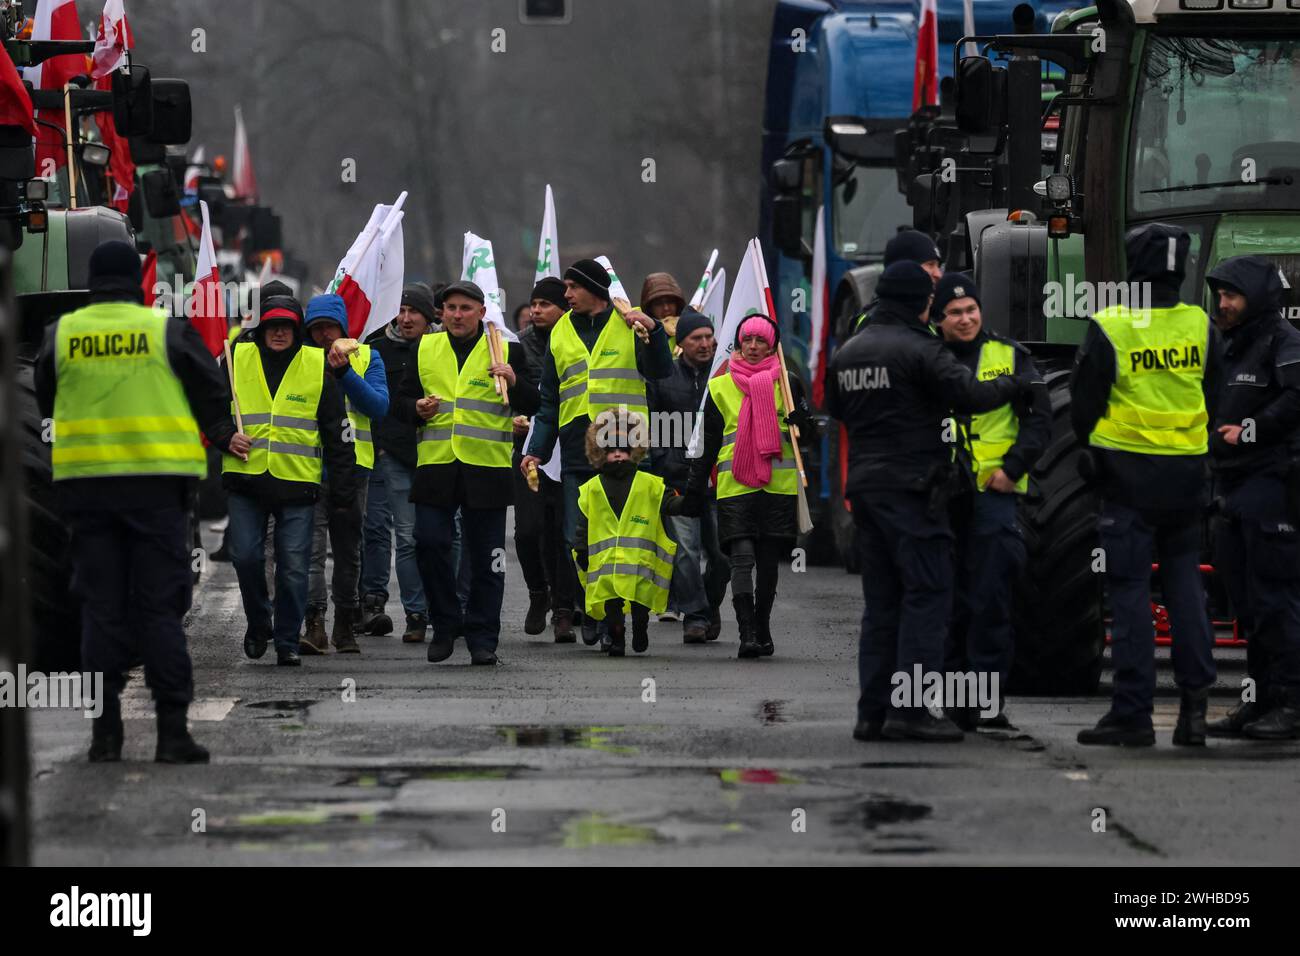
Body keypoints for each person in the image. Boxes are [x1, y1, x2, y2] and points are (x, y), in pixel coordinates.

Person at [34, 240, 236, 764]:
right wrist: (217, 431)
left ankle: (106, 736)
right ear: (136, 279)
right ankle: (172, 734)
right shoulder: (164, 332)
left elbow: (45, 398)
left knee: (100, 611)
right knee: (158, 609)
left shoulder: (62, 335)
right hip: (156, 492)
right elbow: (211, 388)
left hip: (86, 492)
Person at [828, 261, 1027, 742]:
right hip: (915, 490)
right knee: (927, 595)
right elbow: (970, 395)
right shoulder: (921, 349)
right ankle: (912, 710)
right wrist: (1011, 383)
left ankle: (872, 711)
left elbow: (835, 410)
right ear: (922, 303)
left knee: (882, 605)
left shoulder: (849, 353)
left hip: (866, 491)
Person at [1071, 223, 1220, 747]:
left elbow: (1084, 398)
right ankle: (1195, 713)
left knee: (1130, 593)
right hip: (1186, 481)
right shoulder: (1200, 324)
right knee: (1186, 592)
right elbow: (1216, 395)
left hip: (1127, 481)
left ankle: (1132, 713)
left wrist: (1091, 453)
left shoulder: (1114, 324)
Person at [520, 259, 675, 646]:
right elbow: (549, 400)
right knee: (582, 541)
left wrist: (653, 332)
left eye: (573, 287)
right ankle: (596, 608)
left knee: (626, 541)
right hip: (577, 453)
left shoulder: (629, 325)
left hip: (629, 451)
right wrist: (536, 450)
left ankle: (614, 620)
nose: (566, 294)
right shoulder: (559, 333)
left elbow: (660, 371)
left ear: (595, 290)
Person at [393, 280, 539, 665]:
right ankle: (445, 625)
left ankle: (482, 637)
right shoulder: (425, 347)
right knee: (429, 544)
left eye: (465, 308)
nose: (457, 315)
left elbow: (534, 402)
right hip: (436, 467)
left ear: (481, 312)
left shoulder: (507, 350)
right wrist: (416, 409)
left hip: (486, 469)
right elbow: (400, 403)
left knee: (488, 558)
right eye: (451, 308)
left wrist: (514, 380)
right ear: (441, 313)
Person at [932, 274, 1050, 728]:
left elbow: (1040, 420)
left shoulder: (1011, 356)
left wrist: (1014, 469)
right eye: (955, 313)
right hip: (942, 497)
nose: (965, 319)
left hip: (992, 496)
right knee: (947, 601)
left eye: (971, 310)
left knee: (991, 600)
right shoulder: (928, 359)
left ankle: (986, 703)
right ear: (940, 319)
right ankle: (951, 702)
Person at [221, 287, 357, 666]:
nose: (279, 332)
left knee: (294, 567)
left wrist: (343, 492)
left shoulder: (317, 364)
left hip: (298, 485)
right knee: (246, 558)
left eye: (287, 326)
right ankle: (258, 623)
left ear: (297, 330)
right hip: (246, 481)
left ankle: (286, 640)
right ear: (260, 328)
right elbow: (211, 409)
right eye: (272, 325)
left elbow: (338, 431)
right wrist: (223, 435)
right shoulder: (235, 357)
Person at [678, 314, 817, 659]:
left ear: (773, 346)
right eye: (747, 341)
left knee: (769, 564)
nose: (753, 348)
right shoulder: (720, 386)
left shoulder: (788, 383)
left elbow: (809, 439)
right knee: (741, 561)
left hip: (777, 487)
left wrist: (804, 423)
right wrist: (694, 491)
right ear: (739, 345)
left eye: (761, 341)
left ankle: (763, 625)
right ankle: (747, 633)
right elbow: (707, 444)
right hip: (735, 486)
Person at [1206, 255, 1300, 740]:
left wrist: (1250, 430)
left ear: (1257, 298)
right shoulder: (1228, 345)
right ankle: (1259, 703)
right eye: (1220, 295)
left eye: (1232, 295)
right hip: (1231, 486)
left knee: (1274, 600)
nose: (1223, 303)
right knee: (1246, 605)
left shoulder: (1284, 342)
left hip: (1271, 485)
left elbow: (1296, 398)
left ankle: (1291, 705)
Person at [299, 293, 390, 654]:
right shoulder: (301, 360)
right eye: (316, 329)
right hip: (306, 467)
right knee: (312, 552)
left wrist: (344, 373)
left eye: (329, 328)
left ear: (344, 328)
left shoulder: (368, 356)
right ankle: (315, 623)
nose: (323, 335)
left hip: (353, 471)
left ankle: (345, 624)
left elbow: (378, 406)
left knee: (349, 551)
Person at [647, 307, 728, 643]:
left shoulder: (726, 377)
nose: (705, 344)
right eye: (697, 338)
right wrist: (666, 462)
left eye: (709, 337)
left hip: (720, 481)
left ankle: (709, 605)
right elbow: (654, 426)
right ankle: (694, 616)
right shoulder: (664, 378)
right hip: (679, 480)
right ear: (681, 343)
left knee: (723, 555)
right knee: (685, 553)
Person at [359, 284, 434, 643]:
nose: (405, 319)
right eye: (400, 311)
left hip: (439, 455)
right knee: (402, 535)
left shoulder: (440, 348)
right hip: (392, 454)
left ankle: (447, 606)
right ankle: (414, 613)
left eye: (413, 312)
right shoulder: (378, 349)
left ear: (428, 316)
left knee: (442, 537)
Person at [575, 410, 679, 656]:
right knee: (612, 606)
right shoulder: (592, 489)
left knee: (640, 602)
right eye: (611, 449)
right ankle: (617, 635)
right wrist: (581, 549)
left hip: (640, 564)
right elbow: (583, 523)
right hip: (606, 566)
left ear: (635, 450)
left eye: (623, 448)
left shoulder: (650, 483)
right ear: (600, 453)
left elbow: (668, 504)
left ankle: (640, 627)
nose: (618, 453)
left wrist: (687, 502)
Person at [512, 277, 580, 641]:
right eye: (533, 304)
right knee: (527, 531)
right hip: (529, 449)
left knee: (563, 534)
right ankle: (539, 593)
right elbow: (512, 395)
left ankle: (565, 610)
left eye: (545, 304)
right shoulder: (518, 346)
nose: (536, 311)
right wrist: (516, 416)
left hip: (567, 447)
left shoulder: (573, 340)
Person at [852, 229, 945, 333]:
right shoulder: (879, 322)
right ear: (904, 268)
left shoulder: (931, 314)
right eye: (930, 265)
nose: (938, 274)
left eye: (938, 266)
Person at [640, 271, 686, 346]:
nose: (666, 308)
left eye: (670, 302)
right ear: (649, 308)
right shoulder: (642, 337)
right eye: (659, 304)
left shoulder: (691, 333)